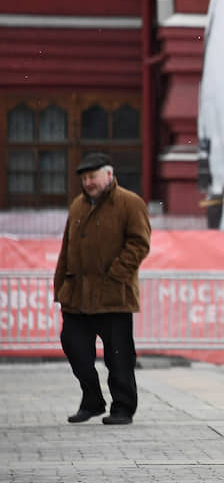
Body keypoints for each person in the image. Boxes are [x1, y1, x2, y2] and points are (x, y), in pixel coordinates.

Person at [54, 153, 151, 425]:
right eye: (84, 178)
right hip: (76, 295)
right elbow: (66, 248)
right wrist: (60, 286)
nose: (88, 182)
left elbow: (139, 244)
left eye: (93, 177)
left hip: (114, 295)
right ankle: (92, 401)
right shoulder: (77, 206)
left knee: (119, 357)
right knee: (74, 348)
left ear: (109, 175)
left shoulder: (130, 203)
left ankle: (123, 407)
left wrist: (116, 274)